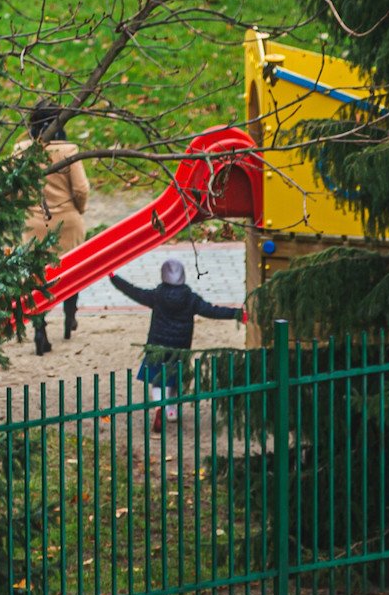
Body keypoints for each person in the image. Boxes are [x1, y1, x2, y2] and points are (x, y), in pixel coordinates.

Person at [109, 260, 241, 433]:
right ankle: (172, 411)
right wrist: (236, 314)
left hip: (157, 344)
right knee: (176, 377)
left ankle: (159, 408)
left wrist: (114, 278)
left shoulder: (157, 295)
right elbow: (212, 310)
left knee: (157, 378)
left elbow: (134, 291)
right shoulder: (190, 298)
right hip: (180, 346)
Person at [13, 100, 91, 354]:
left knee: (37, 278)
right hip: (67, 222)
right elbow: (81, 189)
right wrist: (77, 210)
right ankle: (70, 316)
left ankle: (39, 329)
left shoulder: (21, 150)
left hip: (34, 223)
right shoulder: (68, 150)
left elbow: (12, 188)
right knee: (72, 272)